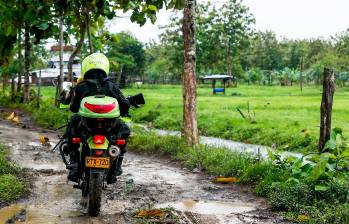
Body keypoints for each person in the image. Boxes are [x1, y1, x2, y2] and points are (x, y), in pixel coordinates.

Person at [64, 53, 131, 184]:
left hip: (87, 125)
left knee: (72, 127)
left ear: (86, 68)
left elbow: (73, 108)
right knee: (124, 132)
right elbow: (124, 105)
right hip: (109, 125)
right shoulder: (112, 86)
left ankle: (74, 163)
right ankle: (116, 167)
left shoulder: (81, 87)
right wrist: (125, 111)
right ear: (104, 68)